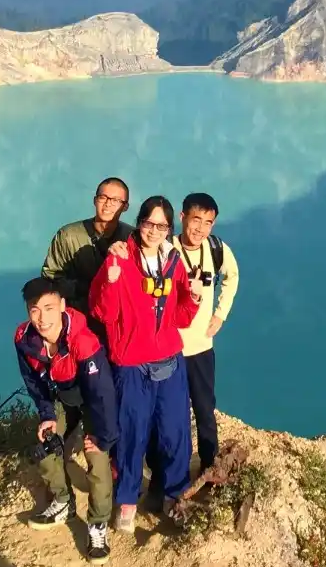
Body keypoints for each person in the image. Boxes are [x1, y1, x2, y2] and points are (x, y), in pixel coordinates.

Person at [89, 195, 198, 533]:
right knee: (131, 434)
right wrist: (110, 277)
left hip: (169, 361)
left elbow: (180, 317)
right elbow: (102, 312)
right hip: (132, 364)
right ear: (139, 223)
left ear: (169, 229)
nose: (155, 230)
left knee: (175, 432)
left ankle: (173, 492)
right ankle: (127, 501)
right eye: (149, 223)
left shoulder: (174, 262)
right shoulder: (119, 258)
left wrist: (192, 297)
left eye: (162, 225)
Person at [14, 276, 118, 563]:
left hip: (91, 402)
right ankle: (63, 503)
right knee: (46, 444)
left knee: (96, 458)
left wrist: (103, 436)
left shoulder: (82, 341)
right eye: (35, 309)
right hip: (61, 399)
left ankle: (97, 522)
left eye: (49, 308)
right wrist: (47, 416)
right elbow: (33, 382)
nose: (42, 318)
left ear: (61, 305)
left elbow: (102, 394)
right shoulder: (24, 340)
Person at [172, 192, 239, 471]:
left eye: (208, 222)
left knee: (204, 410)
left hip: (201, 347)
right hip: (169, 348)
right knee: (172, 414)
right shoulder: (165, 249)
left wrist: (220, 315)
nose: (200, 228)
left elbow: (232, 277)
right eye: (195, 219)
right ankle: (174, 470)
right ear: (182, 217)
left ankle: (209, 466)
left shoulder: (215, 249)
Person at [41, 178, 133, 311]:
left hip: (117, 316)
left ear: (125, 207)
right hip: (78, 317)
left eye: (116, 200)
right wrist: (85, 287)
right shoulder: (68, 236)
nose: (108, 204)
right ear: (95, 200)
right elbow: (50, 278)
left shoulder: (131, 237)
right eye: (103, 197)